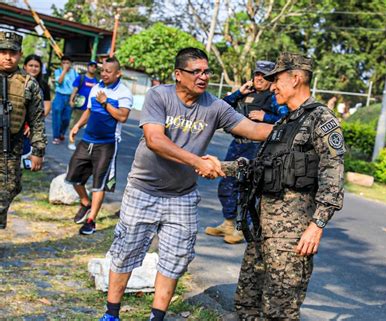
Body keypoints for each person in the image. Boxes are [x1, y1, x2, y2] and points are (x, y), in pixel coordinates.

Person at [99, 47, 273, 321]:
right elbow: (155, 140)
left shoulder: (214, 106)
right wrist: (197, 162)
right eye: (196, 72)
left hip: (182, 196)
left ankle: (157, 317)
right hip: (143, 190)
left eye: (206, 71)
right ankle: (112, 314)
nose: (203, 77)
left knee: (175, 259)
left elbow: (251, 129)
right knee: (126, 252)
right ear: (179, 75)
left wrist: (295, 129)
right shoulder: (159, 96)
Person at [231, 52, 345, 320]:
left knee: (279, 308)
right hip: (263, 226)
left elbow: (333, 175)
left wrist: (316, 226)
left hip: (291, 234)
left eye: (277, 79)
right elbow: (261, 166)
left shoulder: (321, 120)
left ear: (295, 79)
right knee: (247, 299)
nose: (272, 86)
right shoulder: (285, 121)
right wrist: (219, 167)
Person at [205, 60, 288, 244]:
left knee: (248, 188)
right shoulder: (246, 93)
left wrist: (265, 117)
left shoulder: (274, 97)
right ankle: (228, 222)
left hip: (257, 147)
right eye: (257, 74)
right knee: (226, 183)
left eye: (264, 76)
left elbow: (287, 119)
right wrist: (238, 93)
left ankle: (243, 229)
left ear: (271, 79)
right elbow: (219, 108)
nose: (259, 78)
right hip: (237, 145)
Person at [65, 57, 132, 235]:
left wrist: (105, 102)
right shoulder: (97, 87)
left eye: (108, 71)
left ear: (118, 73)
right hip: (87, 140)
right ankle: (85, 202)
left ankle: (91, 220)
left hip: (107, 144)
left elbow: (122, 116)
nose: (103, 74)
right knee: (72, 176)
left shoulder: (124, 93)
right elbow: (89, 110)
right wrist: (77, 126)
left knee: (98, 184)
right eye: (102, 70)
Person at [0, 31, 46, 229]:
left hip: (10, 149)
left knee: (9, 189)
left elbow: (37, 120)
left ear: (20, 54)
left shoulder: (29, 84)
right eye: (3, 51)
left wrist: (38, 152)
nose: (8, 57)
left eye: (12, 52)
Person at [21, 54, 51, 164]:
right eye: (31, 65)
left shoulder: (43, 84)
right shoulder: (18, 82)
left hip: (33, 125)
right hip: (18, 123)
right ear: (25, 66)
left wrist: (34, 123)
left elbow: (47, 105)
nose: (33, 68)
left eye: (36, 66)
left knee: (26, 155)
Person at [68, 60, 99, 150]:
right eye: (91, 66)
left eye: (94, 66)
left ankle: (87, 145)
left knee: (90, 128)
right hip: (79, 106)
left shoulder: (96, 81)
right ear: (88, 67)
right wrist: (71, 100)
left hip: (90, 109)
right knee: (75, 125)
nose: (92, 68)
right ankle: (71, 141)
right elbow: (75, 89)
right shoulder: (81, 78)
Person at [51, 55, 78, 144]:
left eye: (67, 63)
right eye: (64, 63)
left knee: (66, 118)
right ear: (61, 64)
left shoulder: (74, 73)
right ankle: (56, 136)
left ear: (71, 64)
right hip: (60, 95)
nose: (66, 64)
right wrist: (64, 71)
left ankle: (62, 132)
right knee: (57, 116)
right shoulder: (58, 71)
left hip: (70, 97)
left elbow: (76, 86)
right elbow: (59, 81)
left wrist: (73, 99)